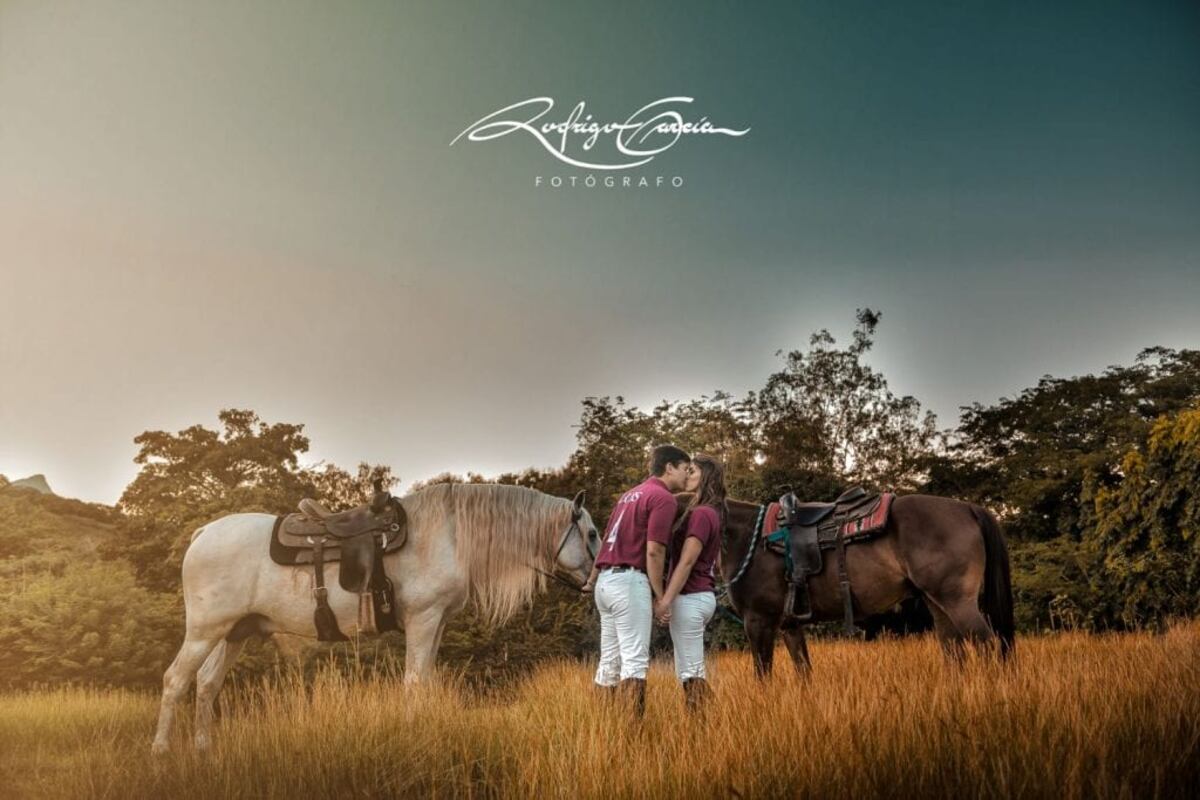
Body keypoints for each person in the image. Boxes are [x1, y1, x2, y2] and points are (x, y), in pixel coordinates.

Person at [582, 444, 692, 716]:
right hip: (629, 584)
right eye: (684, 469)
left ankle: (604, 728)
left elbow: (607, 541)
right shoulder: (662, 497)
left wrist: (592, 580)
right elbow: (654, 550)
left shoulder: (628, 496)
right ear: (669, 467)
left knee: (609, 662)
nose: (687, 477)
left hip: (606, 583)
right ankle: (633, 736)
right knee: (635, 662)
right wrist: (660, 597)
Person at [655, 453, 726, 712]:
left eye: (693, 471)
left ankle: (706, 727)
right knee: (688, 670)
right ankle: (704, 725)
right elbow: (716, 562)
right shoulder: (712, 512)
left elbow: (686, 562)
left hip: (691, 598)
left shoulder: (701, 514)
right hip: (700, 596)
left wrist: (665, 600)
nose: (687, 474)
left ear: (705, 477)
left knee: (691, 672)